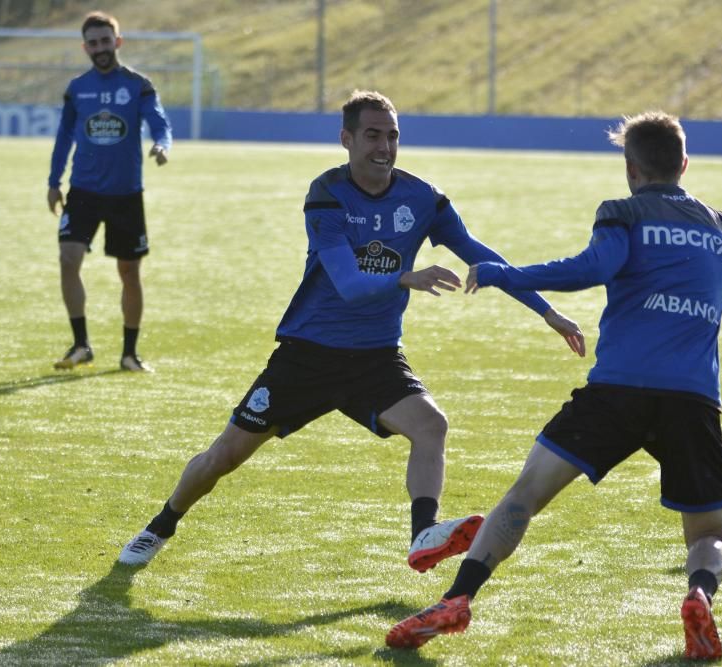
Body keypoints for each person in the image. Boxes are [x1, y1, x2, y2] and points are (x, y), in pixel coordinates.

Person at [117, 90, 585, 572]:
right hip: (308, 355)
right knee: (224, 457)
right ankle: (161, 524)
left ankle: (423, 534)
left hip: (375, 356)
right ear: (347, 139)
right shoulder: (327, 195)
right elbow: (349, 285)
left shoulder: (423, 198)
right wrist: (408, 276)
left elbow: (481, 257)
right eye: (372, 135)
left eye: (393, 135)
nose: (384, 146)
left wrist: (546, 311)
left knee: (431, 426)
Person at [386, 111, 722, 660]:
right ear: (684, 164)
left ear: (630, 168)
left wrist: (506, 274)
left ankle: (457, 599)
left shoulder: (625, 212)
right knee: (708, 532)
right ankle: (698, 594)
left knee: (525, 495)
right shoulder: (721, 228)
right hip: (692, 399)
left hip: (617, 390)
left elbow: (590, 268)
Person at [47, 11, 172, 372]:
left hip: (125, 195)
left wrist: (162, 145)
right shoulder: (77, 88)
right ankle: (81, 345)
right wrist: (54, 182)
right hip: (83, 191)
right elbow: (63, 139)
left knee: (129, 273)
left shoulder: (137, 84)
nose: (100, 48)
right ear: (85, 47)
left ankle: (129, 353)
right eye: (93, 43)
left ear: (118, 42)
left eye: (106, 41)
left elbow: (159, 123)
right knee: (68, 258)